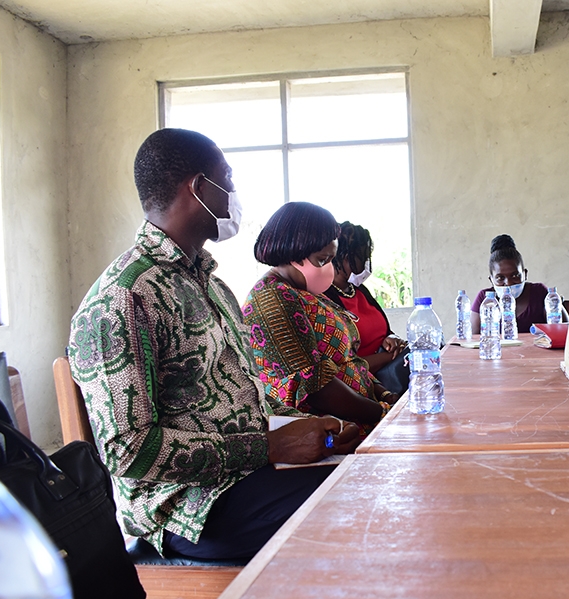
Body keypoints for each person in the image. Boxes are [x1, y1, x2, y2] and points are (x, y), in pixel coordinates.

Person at [68, 128, 360, 561]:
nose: (234, 193)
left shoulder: (213, 287)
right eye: (229, 179)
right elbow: (126, 450)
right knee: (363, 500)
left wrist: (320, 427)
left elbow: (247, 399)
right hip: (189, 507)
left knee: (368, 470)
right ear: (200, 187)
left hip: (250, 474)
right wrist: (270, 446)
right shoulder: (124, 298)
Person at [243, 203, 400, 434]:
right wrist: (382, 413)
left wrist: (385, 395)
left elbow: (349, 361)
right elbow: (316, 388)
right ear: (294, 252)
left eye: (331, 259)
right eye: (322, 260)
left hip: (359, 416)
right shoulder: (273, 299)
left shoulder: (305, 293)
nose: (329, 268)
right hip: (331, 431)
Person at [323, 221, 409, 395]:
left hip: (392, 369)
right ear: (343, 257)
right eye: (362, 257)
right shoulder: (325, 300)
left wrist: (391, 338)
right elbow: (343, 368)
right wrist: (389, 356)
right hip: (366, 387)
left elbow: (382, 330)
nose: (366, 263)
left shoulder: (359, 291)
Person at [469, 234, 566, 335]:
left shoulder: (539, 292)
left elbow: (564, 330)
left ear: (525, 274)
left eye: (515, 275)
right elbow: (471, 338)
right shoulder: (485, 299)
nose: (508, 283)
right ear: (491, 280)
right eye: (500, 278)